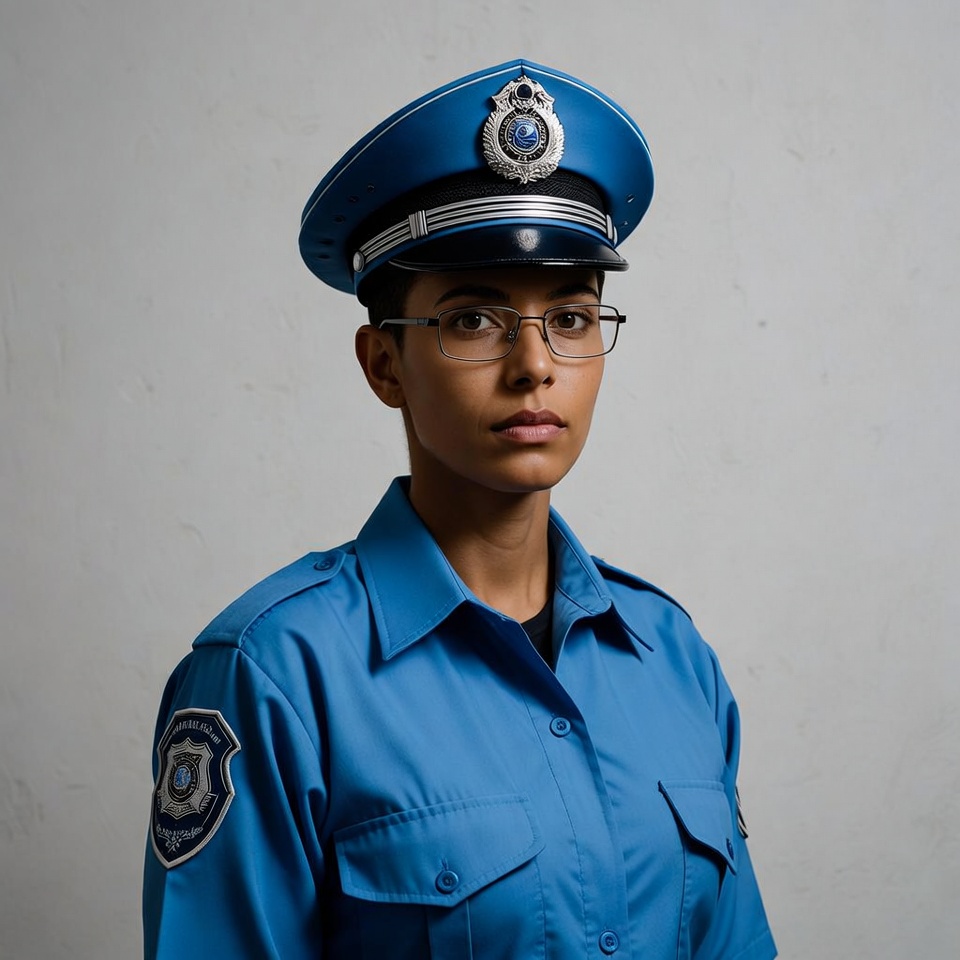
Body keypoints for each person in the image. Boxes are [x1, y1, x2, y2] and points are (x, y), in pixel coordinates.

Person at [143, 59, 777, 960]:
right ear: (383, 365)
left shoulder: (674, 661)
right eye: (474, 320)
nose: (535, 366)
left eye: (571, 316)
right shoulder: (277, 673)